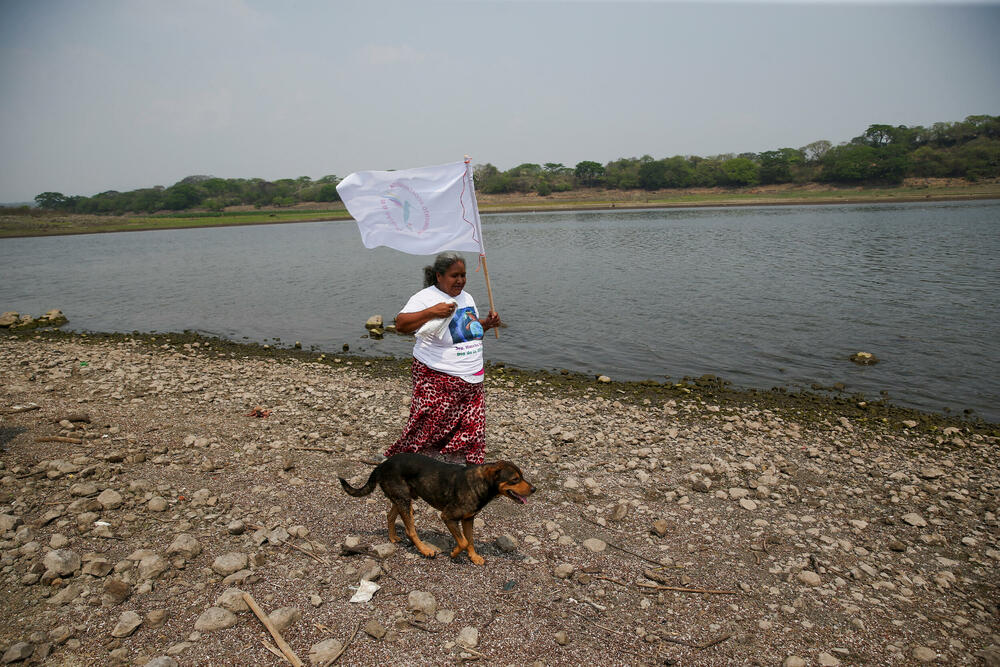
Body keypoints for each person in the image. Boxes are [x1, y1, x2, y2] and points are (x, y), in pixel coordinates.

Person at [384, 252, 501, 465]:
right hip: (437, 376)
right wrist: (432, 312)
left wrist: (486, 324)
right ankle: (404, 463)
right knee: (428, 426)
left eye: (463, 275)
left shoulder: (468, 298)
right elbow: (401, 325)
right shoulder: (425, 298)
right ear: (439, 276)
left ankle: (460, 467)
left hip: (472, 379)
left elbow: (467, 331)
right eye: (454, 276)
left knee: (470, 427)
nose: (460, 281)